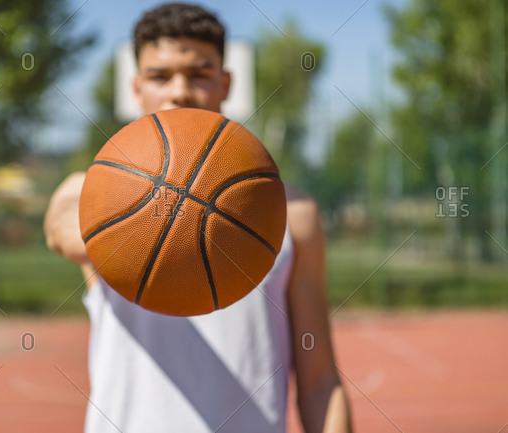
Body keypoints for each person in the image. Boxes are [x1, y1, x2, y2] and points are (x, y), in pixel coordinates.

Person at [45, 3, 352, 432]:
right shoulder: (92, 192)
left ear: (226, 82)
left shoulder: (293, 213)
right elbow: (61, 230)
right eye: (159, 75)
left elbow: (320, 380)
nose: (180, 91)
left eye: (199, 73)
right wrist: (139, 208)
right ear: (136, 88)